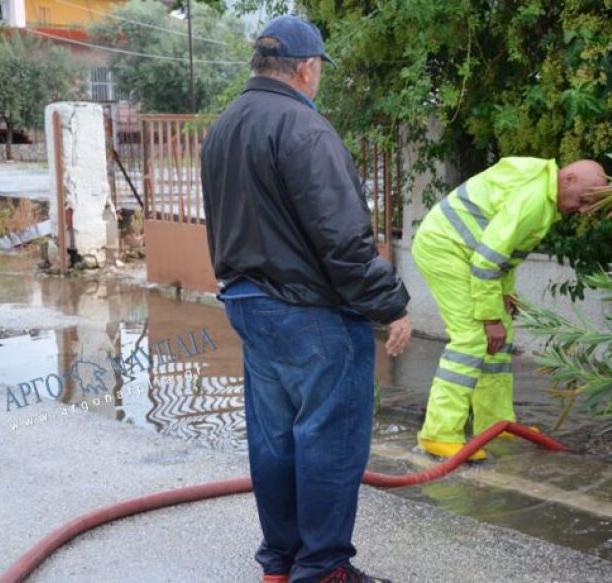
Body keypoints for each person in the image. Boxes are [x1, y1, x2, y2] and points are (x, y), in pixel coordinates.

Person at [200, 15, 411, 583]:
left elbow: (220, 223)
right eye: (318, 68)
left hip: (248, 302)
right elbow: (344, 243)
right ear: (307, 67)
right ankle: (321, 568)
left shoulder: (223, 128)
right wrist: (389, 303)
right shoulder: (305, 130)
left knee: (276, 438)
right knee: (329, 438)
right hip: (308, 310)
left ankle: (283, 561)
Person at [412, 157, 607, 460]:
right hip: (445, 248)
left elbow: (504, 250)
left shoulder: (543, 191)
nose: (582, 210)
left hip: (466, 254)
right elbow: (488, 259)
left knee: (498, 342)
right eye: (583, 201)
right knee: (472, 339)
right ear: (567, 179)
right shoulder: (535, 199)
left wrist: (505, 292)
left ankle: (494, 424)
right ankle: (438, 434)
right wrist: (490, 317)